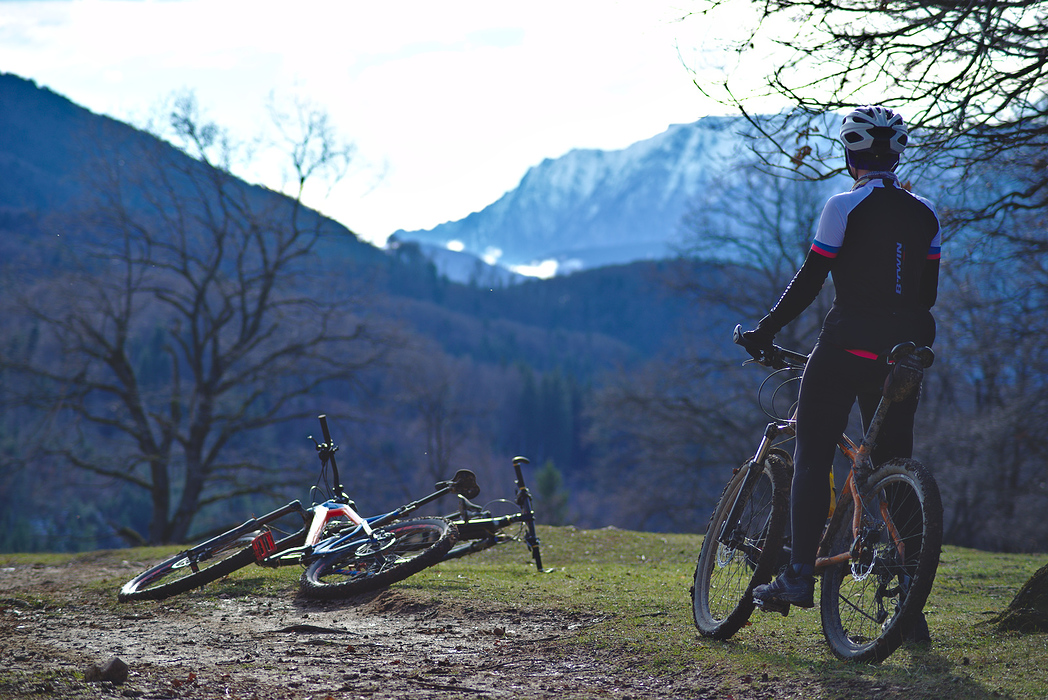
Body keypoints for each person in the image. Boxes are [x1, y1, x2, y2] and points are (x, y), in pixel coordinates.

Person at [738, 105, 941, 639]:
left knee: (813, 455)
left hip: (847, 346)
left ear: (850, 154)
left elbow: (810, 281)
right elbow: (928, 297)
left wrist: (763, 330)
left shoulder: (843, 207)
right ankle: (908, 606)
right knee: (896, 467)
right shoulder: (926, 215)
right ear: (897, 153)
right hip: (904, 353)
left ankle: (800, 575)